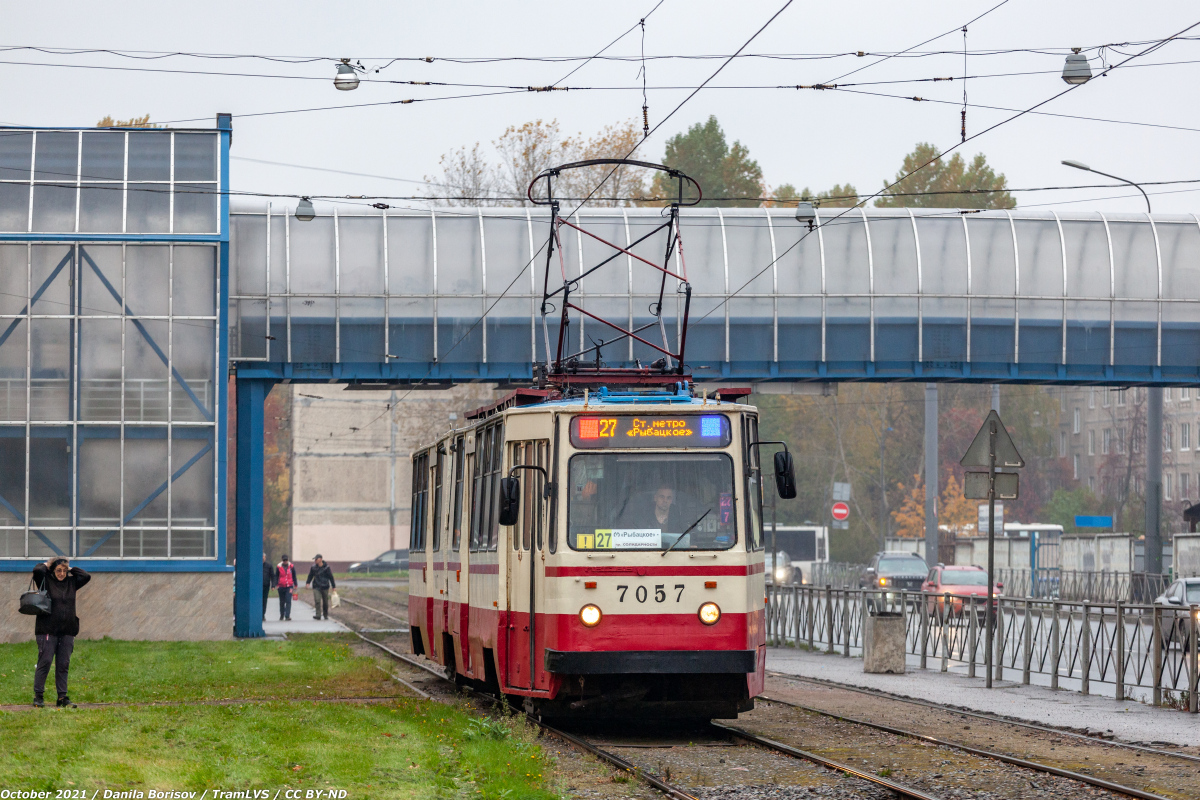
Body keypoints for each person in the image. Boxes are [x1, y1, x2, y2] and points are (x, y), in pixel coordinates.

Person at [31, 557, 90, 708]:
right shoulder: (45, 581)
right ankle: (38, 696)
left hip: (67, 630)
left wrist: (71, 569)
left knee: (63, 664)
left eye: (64, 571)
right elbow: (38, 570)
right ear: (52, 570)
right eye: (59, 570)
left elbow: (86, 576)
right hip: (47, 629)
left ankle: (62, 697)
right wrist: (49, 564)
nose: (62, 573)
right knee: (45, 662)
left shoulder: (72, 583)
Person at [305, 554, 336, 620]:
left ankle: (325, 614)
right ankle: (318, 615)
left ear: (321, 559)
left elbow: (331, 577)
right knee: (317, 600)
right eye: (315, 559)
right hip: (316, 586)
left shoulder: (327, 567)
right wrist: (308, 582)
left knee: (325, 602)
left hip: (325, 586)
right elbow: (310, 575)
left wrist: (333, 586)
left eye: (316, 559)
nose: (315, 560)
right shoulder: (313, 567)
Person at [275, 555, 297, 621]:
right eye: (284, 560)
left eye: (286, 560)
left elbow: (294, 575)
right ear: (282, 560)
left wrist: (295, 584)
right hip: (281, 586)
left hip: (289, 586)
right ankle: (282, 614)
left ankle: (287, 615)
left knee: (288, 600)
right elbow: (276, 576)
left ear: (288, 560)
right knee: (282, 601)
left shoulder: (291, 567)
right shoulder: (279, 567)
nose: (285, 562)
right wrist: (276, 584)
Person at [261, 553, 275, 621]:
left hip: (266, 586)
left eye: (263, 557)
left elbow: (272, 576)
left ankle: (263, 615)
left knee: (264, 600)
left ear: (265, 558)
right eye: (261, 556)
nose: (262, 558)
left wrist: (273, 585)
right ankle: (257, 614)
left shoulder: (269, 566)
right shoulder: (257, 565)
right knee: (258, 600)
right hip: (258, 586)